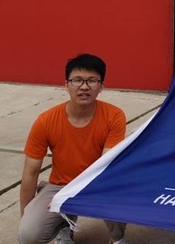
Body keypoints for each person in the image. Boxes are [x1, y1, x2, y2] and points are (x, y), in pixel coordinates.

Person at [18, 53, 127, 244]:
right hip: (61, 186)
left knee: (120, 192)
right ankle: (63, 224)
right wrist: (26, 215)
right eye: (77, 80)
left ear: (101, 86)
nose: (84, 87)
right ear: (66, 85)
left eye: (92, 80)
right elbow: (30, 172)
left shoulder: (114, 116)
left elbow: (105, 166)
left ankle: (116, 238)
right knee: (28, 235)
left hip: (98, 184)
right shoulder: (46, 121)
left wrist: (77, 196)